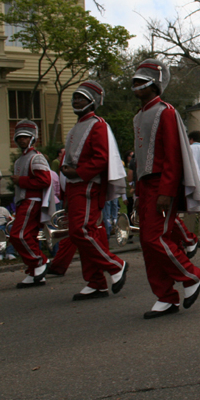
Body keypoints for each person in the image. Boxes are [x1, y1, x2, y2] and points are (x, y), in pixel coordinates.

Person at [132, 59, 200, 319]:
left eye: (142, 82)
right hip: (145, 185)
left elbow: (173, 155)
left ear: (156, 85)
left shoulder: (166, 111)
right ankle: (165, 296)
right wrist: (138, 193)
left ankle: (191, 275)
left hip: (162, 183)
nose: (135, 86)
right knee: (146, 243)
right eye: (135, 81)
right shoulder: (138, 116)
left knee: (155, 238)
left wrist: (167, 190)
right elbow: (139, 160)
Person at [59, 80, 128, 301]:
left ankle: (115, 265)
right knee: (84, 233)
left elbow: (101, 158)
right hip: (74, 186)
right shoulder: (76, 126)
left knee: (81, 231)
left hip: (88, 185)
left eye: (82, 98)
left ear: (93, 102)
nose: (77, 101)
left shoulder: (97, 124)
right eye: (76, 97)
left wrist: (76, 172)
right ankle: (96, 282)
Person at [9, 120, 53, 288]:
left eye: (26, 137)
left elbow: (44, 180)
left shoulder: (36, 157)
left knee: (18, 235)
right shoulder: (20, 160)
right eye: (19, 137)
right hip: (23, 201)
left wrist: (20, 181)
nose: (22, 140)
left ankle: (39, 261)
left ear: (32, 138)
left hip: (31, 201)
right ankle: (35, 272)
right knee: (30, 236)